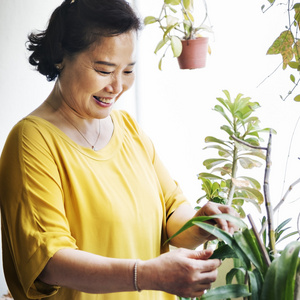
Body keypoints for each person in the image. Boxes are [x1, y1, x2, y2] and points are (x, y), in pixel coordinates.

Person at [0, 0, 238, 299]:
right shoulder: (31, 141)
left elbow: (172, 211)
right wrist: (147, 274)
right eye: (104, 69)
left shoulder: (127, 128)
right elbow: (49, 261)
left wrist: (203, 224)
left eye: (127, 71)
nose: (117, 86)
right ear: (61, 56)